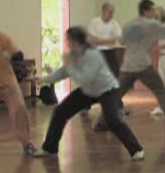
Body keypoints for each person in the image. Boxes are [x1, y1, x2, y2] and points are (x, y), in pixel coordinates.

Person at [33, 26, 144, 161]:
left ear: (75, 41)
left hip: (107, 90)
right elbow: (63, 72)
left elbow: (86, 78)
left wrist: (69, 66)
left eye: (68, 39)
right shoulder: (73, 55)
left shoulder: (92, 55)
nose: (66, 42)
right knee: (60, 111)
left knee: (112, 121)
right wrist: (43, 80)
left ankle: (137, 150)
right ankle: (49, 148)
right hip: (90, 90)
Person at [95, 0, 165, 133]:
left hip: (128, 65)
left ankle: (101, 122)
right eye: (152, 10)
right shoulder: (152, 25)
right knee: (161, 90)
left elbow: (123, 40)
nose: (154, 12)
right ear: (145, 11)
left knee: (116, 94)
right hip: (143, 65)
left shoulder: (130, 25)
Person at [0, 10, 37, 155]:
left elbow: (19, 54)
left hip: (7, 84)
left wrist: (11, 55)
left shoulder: (1, 38)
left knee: (20, 110)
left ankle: (27, 144)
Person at [84, 3, 129, 117]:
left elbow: (120, 39)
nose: (112, 14)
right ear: (103, 11)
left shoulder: (114, 24)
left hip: (110, 53)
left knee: (115, 79)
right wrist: (110, 40)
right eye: (110, 12)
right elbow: (93, 41)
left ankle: (118, 106)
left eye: (113, 12)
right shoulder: (95, 23)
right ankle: (85, 106)